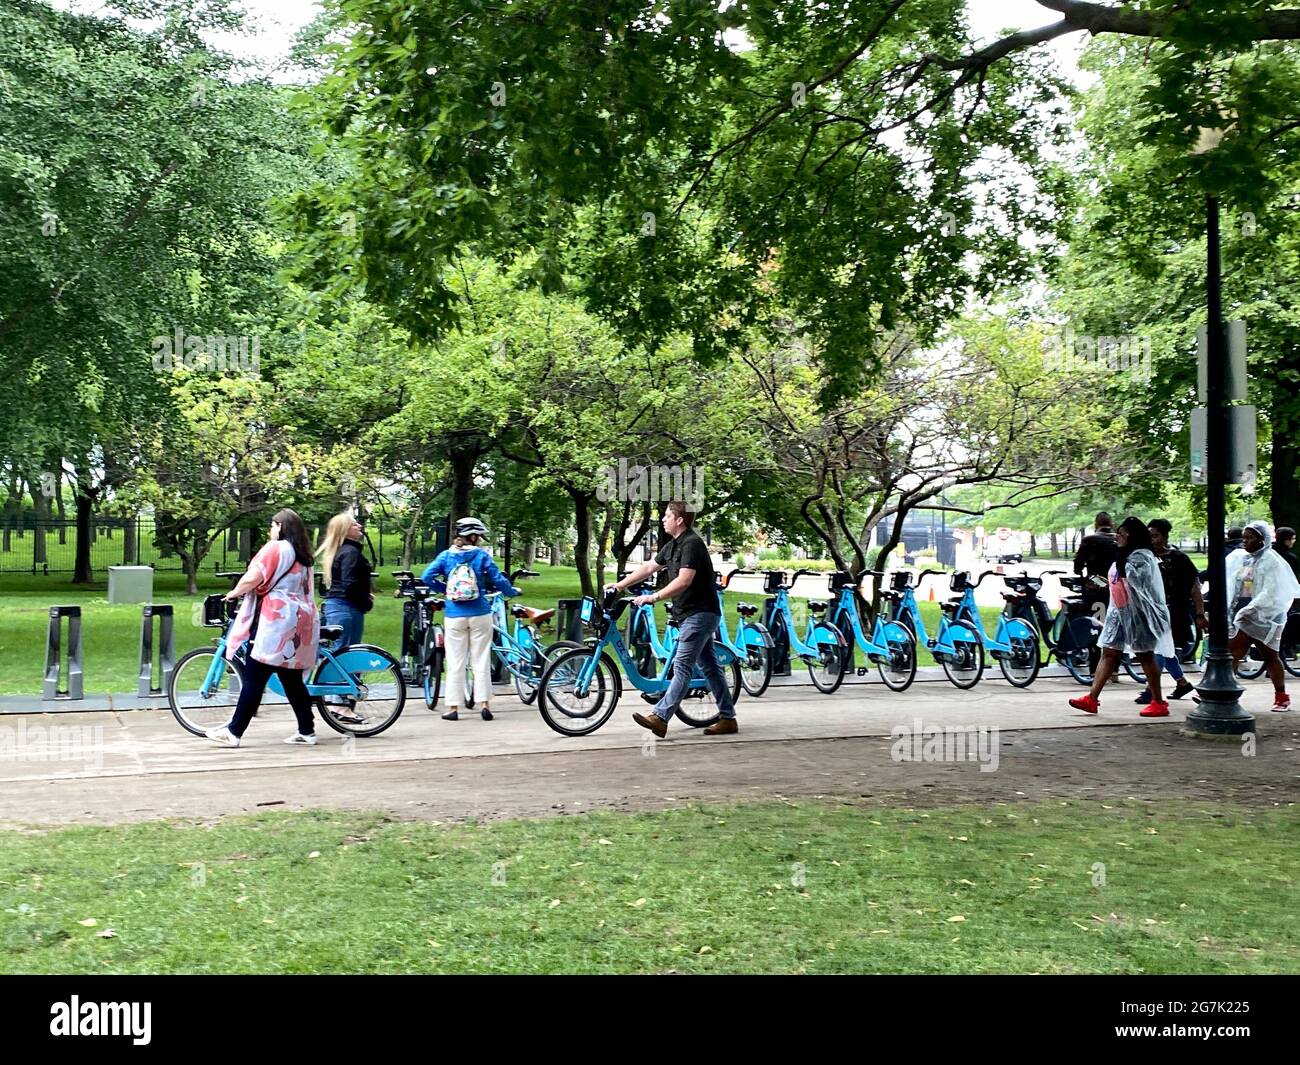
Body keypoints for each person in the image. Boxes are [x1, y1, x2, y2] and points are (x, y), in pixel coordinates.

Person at [607, 500, 738, 737]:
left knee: (682, 666)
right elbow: (649, 568)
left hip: (700, 614)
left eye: (667, 515)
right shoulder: (673, 545)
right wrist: (620, 585)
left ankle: (660, 717)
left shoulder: (692, 544)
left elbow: (684, 580)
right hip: (691, 614)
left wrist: (654, 597)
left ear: (679, 520)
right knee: (710, 667)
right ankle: (728, 719)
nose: (663, 519)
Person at [205, 509, 321, 748]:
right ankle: (307, 730)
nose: (270, 530)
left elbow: (254, 577)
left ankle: (234, 731)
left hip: (274, 621)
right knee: (291, 678)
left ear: (280, 526)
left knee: (254, 676)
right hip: (299, 621)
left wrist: (233, 593)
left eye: (272, 525)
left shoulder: (276, 548)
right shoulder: (304, 556)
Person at [1069, 516, 1175, 718]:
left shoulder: (1142, 556)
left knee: (1145, 655)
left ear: (1131, 536)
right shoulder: (1124, 554)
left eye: (1121, 533)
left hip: (1139, 614)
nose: (1117, 537)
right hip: (1119, 612)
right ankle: (1092, 698)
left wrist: (1122, 563)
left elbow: (1138, 582)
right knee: (1108, 652)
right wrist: (1101, 582)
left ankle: (1159, 701)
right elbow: (1118, 581)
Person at [421, 516, 520, 721]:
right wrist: (511, 591)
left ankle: (452, 709)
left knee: (456, 662)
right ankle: (485, 705)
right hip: (480, 613)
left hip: (454, 615)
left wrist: (445, 590)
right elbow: (497, 579)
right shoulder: (481, 556)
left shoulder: (446, 556)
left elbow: (426, 577)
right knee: (481, 659)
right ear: (473, 537)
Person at [1220, 521, 1300, 712]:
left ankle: (1281, 697)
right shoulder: (1243, 559)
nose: (1245, 542)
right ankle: (1223, 693)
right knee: (1233, 652)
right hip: (1243, 614)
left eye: (1250, 538)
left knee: (1270, 656)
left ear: (1261, 539)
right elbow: (1235, 583)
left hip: (1265, 616)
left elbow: (1270, 590)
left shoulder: (1271, 561)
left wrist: (1252, 608)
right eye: (1244, 538)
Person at [1132, 518, 1205, 704]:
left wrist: (1199, 613)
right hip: (1151, 611)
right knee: (1165, 650)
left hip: (1174, 611)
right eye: (1149, 536)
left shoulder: (1179, 558)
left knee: (1160, 648)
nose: (1152, 540)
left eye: (1155, 536)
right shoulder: (1144, 557)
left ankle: (1151, 689)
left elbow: (1195, 587)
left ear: (1165, 537)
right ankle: (1182, 683)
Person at [316, 512, 374, 722]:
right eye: (354, 524)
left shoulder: (340, 552)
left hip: (337, 607)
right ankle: (342, 706)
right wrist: (366, 601)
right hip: (347, 609)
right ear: (345, 530)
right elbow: (350, 586)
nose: (359, 526)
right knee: (348, 657)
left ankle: (337, 702)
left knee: (339, 655)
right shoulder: (350, 553)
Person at [1073, 512, 1118, 622]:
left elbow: (1078, 564)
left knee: (1097, 621)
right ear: (1111, 524)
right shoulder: (1119, 539)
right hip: (1116, 584)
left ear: (1096, 524)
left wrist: (1079, 571)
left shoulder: (1089, 540)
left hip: (1096, 583)